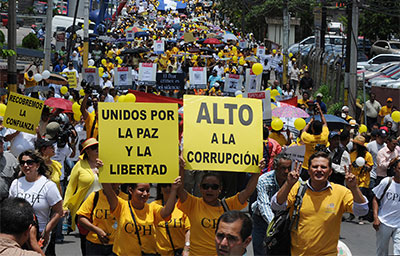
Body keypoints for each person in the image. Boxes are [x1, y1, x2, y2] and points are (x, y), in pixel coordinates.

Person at [271, 151, 368, 255]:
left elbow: (362, 211)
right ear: (308, 170)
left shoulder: (341, 192)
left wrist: (354, 187)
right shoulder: (297, 188)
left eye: (323, 167)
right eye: (315, 166)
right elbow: (276, 205)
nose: (319, 170)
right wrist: (288, 184)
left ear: (330, 171)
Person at [177, 157, 264, 256]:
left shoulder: (227, 205)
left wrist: (257, 171)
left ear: (220, 189)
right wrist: (181, 168)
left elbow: (248, 191)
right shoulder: (193, 204)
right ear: (200, 188)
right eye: (205, 186)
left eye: (214, 187)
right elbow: (179, 189)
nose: (209, 190)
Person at [102, 178, 181, 255]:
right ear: (131, 190)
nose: (145, 194)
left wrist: (174, 190)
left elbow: (167, 211)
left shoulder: (152, 208)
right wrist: (103, 174)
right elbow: (109, 191)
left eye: (147, 191)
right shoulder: (121, 206)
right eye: (141, 190)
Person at [9, 150, 63, 255]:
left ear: (37, 165)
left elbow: (58, 211)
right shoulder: (16, 183)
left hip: (39, 235)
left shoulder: (48, 185)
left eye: (30, 162)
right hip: (18, 234)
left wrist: (47, 231)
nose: (26, 165)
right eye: (22, 163)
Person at [63, 138, 102, 255]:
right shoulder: (80, 165)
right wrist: (65, 206)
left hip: (104, 209)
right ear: (87, 151)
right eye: (94, 148)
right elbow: (71, 187)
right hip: (84, 210)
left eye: (98, 147)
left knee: (103, 239)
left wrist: (104, 170)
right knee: (85, 240)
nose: (97, 150)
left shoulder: (105, 164)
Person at [251, 153, 291, 256]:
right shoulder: (264, 180)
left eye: (288, 168)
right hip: (262, 220)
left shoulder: (294, 180)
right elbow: (264, 205)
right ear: (275, 167)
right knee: (261, 250)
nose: (286, 172)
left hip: (283, 221)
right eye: (283, 168)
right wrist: (275, 225)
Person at [76, 184, 121, 256]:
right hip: (95, 244)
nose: (112, 183)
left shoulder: (126, 199)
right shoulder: (95, 196)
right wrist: (97, 230)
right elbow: (81, 218)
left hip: (118, 246)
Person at [151, 184, 191, 256]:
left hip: (179, 253)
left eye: (170, 185)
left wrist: (187, 248)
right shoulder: (153, 206)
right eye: (164, 185)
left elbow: (188, 229)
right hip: (159, 253)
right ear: (160, 189)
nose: (168, 188)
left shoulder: (182, 206)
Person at [372, 159, 400, 256]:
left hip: (398, 225)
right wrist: (376, 218)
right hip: (384, 223)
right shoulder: (386, 182)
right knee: (382, 252)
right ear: (395, 169)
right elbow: (375, 199)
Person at [300, 102, 329, 180]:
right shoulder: (324, 136)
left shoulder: (308, 138)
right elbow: (325, 123)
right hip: (321, 166)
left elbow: (303, 132)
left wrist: (310, 122)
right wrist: (320, 111)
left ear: (312, 129)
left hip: (307, 166)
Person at [349, 135, 373, 224]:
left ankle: (361, 217)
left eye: (355, 144)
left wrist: (365, 166)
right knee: (352, 196)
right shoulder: (352, 154)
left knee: (361, 196)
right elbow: (349, 165)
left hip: (363, 180)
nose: (354, 146)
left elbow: (370, 166)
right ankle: (352, 214)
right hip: (353, 178)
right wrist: (353, 164)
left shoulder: (367, 155)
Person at [0, 136, 19, 202]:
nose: (0, 144)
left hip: (6, 201)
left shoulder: (11, 157)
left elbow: (19, 176)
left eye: (1, 142)